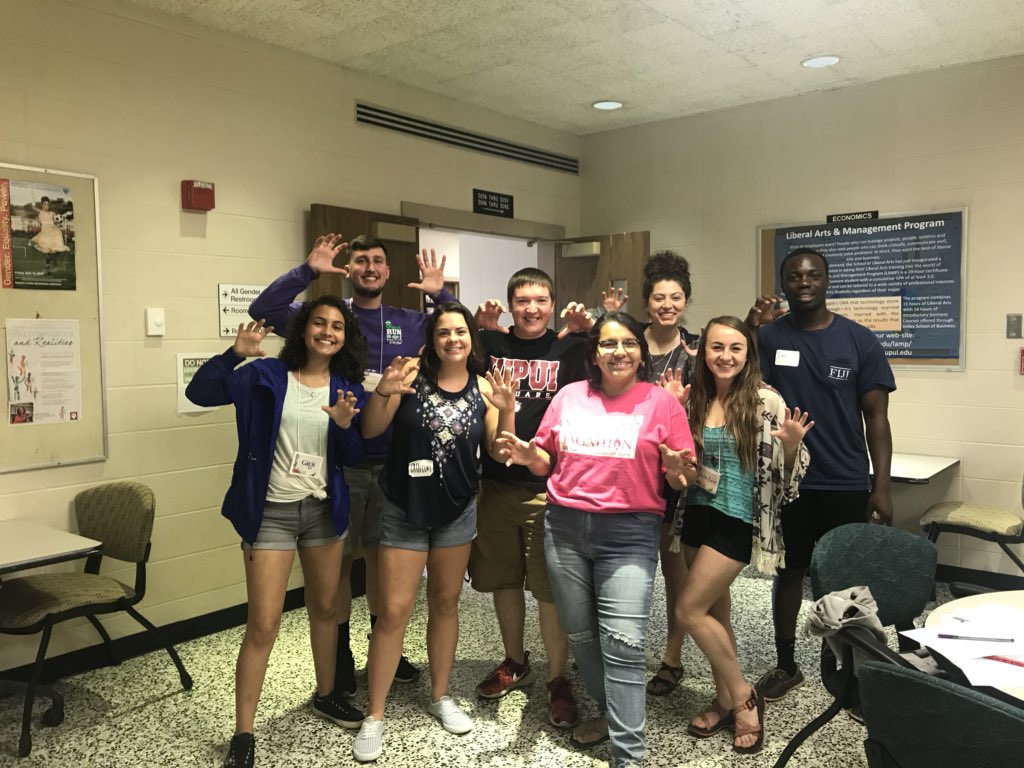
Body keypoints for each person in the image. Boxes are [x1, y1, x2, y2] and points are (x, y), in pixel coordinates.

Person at [249, 233, 455, 695]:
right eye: (361, 260)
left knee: (388, 564)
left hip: (396, 463)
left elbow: (460, 329)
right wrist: (308, 270)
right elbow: (262, 309)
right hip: (339, 463)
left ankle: (388, 647)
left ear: (386, 270)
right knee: (338, 565)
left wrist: (441, 292)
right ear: (351, 269)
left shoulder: (409, 319)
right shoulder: (330, 319)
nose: (369, 267)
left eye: (378, 261)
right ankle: (338, 656)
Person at [498, 311, 695, 768]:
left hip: (629, 534)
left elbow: (681, 475)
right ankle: (611, 713)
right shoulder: (570, 396)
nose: (619, 351)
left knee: (623, 645)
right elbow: (546, 460)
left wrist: (674, 470)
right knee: (582, 635)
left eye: (629, 343)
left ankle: (629, 755)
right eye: (609, 344)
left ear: (641, 353)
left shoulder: (661, 403)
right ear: (594, 353)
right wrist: (531, 456)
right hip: (564, 528)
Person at [186, 298, 370, 768]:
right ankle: (244, 732)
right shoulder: (263, 374)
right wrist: (234, 354)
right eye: (319, 323)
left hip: (323, 512)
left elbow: (351, 455)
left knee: (326, 608)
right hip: (270, 511)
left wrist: (347, 427)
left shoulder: (346, 385)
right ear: (302, 330)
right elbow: (200, 393)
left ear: (344, 337)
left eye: (336, 326)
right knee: (264, 622)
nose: (327, 332)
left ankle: (326, 693)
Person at [351, 303, 516, 762]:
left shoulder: (484, 388)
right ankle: (376, 715)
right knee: (394, 611)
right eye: (443, 332)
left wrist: (508, 411)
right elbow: (370, 430)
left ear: (471, 338)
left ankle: (441, 696)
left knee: (445, 604)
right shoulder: (408, 377)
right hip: (403, 508)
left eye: (460, 331)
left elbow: (500, 454)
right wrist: (382, 393)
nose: (453, 339)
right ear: (432, 339)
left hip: (457, 511)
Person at [747, 247, 895, 701]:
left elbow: (877, 418)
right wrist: (753, 327)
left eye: (812, 275)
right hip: (787, 481)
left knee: (845, 577)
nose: (804, 282)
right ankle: (786, 663)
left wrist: (881, 487)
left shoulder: (859, 340)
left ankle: (847, 663)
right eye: (794, 276)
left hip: (846, 480)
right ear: (784, 283)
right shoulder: (770, 337)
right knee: (788, 574)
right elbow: (738, 377)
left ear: (827, 280)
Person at [670, 316, 811, 754]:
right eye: (716, 347)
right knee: (717, 615)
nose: (725, 356)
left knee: (688, 611)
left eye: (735, 348)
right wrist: (672, 413)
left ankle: (743, 695)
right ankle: (724, 700)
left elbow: (792, 480)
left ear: (748, 354)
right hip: (696, 513)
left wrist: (789, 446)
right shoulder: (694, 399)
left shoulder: (766, 400)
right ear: (703, 351)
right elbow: (678, 462)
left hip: (738, 521)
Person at [468, 267, 593, 729]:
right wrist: (481, 326)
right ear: (509, 305)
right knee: (504, 580)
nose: (532, 308)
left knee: (548, 588)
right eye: (523, 300)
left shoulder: (570, 349)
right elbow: (450, 340)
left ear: (553, 305)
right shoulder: (492, 348)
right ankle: (515, 662)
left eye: (541, 300)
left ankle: (558, 678)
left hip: (549, 487)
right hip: (497, 487)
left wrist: (592, 325)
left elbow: (620, 352)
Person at [640, 250, 701, 697]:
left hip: (679, 474)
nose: (667, 305)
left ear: (685, 301)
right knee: (627, 566)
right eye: (659, 297)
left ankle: (672, 657)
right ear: (647, 303)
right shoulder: (627, 343)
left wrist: (679, 408)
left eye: (675, 297)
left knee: (674, 568)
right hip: (632, 471)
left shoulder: (697, 350)